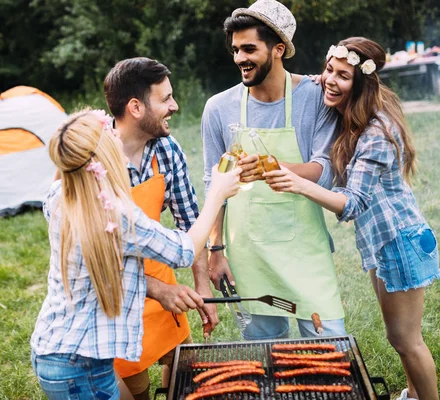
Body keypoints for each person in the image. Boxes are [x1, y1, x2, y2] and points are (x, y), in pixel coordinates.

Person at [265, 37, 439, 400]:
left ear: (360, 83)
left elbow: (354, 203)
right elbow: (323, 80)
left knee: (408, 341)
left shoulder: (376, 132)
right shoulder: (356, 113)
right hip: (384, 242)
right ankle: (412, 394)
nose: (330, 79)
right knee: (398, 338)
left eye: (343, 75)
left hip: (400, 242)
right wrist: (324, 78)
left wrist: (297, 183)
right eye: (329, 69)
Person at [30, 109, 242, 400]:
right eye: (110, 135)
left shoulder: (60, 196)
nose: (118, 135)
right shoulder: (117, 217)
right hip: (81, 365)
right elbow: (185, 250)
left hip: (53, 347)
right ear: (100, 160)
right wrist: (218, 193)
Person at [202, 0, 347, 340]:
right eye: (236, 49)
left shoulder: (315, 97)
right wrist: (215, 250)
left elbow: (325, 170)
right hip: (250, 259)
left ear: (278, 49)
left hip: (305, 253)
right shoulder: (218, 108)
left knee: (332, 350)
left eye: (249, 48)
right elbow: (213, 186)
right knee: (267, 358)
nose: (240, 58)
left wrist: (272, 166)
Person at [103, 57, 219, 400]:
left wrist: (202, 285)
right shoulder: (95, 159)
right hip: (117, 292)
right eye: (165, 99)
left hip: (163, 281)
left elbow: (189, 221)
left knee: (183, 370)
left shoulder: (167, 150)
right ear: (136, 107)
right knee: (135, 389)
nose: (175, 106)